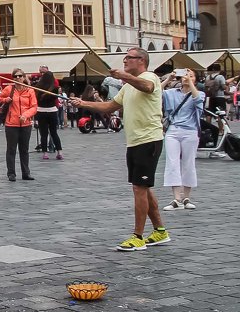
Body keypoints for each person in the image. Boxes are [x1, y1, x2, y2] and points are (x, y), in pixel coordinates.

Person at [72, 48, 169, 252]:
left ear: (141, 60)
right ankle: (160, 231)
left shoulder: (148, 77)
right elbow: (109, 107)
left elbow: (148, 86)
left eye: (129, 58)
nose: (124, 60)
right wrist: (83, 103)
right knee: (143, 186)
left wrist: (123, 76)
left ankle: (138, 237)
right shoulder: (127, 88)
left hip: (148, 140)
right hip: (134, 141)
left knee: (139, 188)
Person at [162, 70, 204, 211]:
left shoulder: (199, 93)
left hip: (190, 131)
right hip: (173, 130)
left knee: (188, 163)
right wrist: (169, 78)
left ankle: (186, 197)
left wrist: (190, 83)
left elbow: (197, 99)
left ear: (195, 80)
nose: (187, 77)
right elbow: (156, 92)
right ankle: (176, 199)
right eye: (185, 75)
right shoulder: (171, 92)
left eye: (191, 75)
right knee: (172, 163)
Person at [0, 68, 38, 183]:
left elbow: (34, 107)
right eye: (15, 76)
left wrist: (26, 115)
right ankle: (11, 173)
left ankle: (26, 173)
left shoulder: (30, 91)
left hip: (25, 124)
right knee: (11, 149)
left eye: (20, 76)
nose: (18, 78)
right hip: (11, 124)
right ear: (13, 78)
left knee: (24, 150)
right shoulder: (9, 89)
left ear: (24, 77)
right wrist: (6, 99)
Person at [34, 70, 63, 160]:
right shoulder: (55, 88)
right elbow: (54, 99)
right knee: (54, 133)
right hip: (52, 111)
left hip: (41, 111)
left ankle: (45, 153)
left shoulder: (38, 87)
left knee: (44, 134)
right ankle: (59, 152)